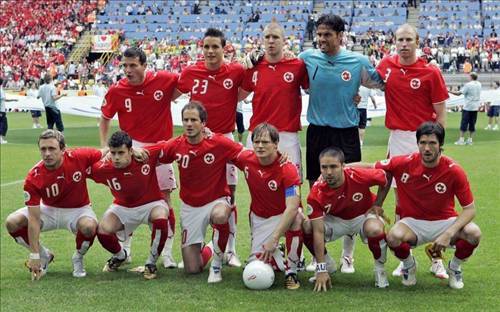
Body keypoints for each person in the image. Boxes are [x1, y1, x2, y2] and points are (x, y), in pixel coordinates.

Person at [299, 13, 384, 273]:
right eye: (319, 34)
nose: (321, 39)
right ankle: (320, 256)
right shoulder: (307, 58)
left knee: (352, 192)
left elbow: (382, 82)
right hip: (317, 132)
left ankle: (348, 256)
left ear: (340, 36)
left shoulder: (357, 61)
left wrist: (358, 94)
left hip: (346, 133)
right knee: (317, 187)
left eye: (327, 34)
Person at [376, 23, 449, 278]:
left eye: (409, 39)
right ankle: (403, 255)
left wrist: (437, 144)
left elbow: (441, 114)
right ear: (394, 42)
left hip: (425, 140)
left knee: (433, 199)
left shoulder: (431, 71)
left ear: (417, 41)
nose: (404, 44)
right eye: (400, 40)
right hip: (398, 138)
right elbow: (366, 80)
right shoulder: (386, 65)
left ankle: (437, 256)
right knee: (401, 200)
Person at [375, 122, 481, 289]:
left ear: (440, 146)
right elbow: (373, 168)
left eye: (432, 143)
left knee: (474, 233)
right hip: (413, 223)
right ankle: (409, 266)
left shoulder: (454, 170)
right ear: (417, 144)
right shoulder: (404, 162)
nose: (427, 148)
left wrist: (448, 233)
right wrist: (343, 168)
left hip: (445, 221)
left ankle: (454, 268)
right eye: (423, 143)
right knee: (393, 237)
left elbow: (470, 209)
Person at [100, 47, 180, 268]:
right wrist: (104, 147)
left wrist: (169, 97)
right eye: (124, 65)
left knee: (164, 198)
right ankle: (125, 249)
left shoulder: (164, 79)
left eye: (133, 65)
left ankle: (167, 253)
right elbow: (105, 119)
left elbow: (183, 85)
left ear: (145, 65)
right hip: (131, 150)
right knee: (129, 197)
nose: (128, 70)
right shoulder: (117, 90)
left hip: (161, 149)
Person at [176, 28, 245, 267]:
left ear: (224, 48)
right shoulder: (190, 72)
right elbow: (172, 94)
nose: (210, 51)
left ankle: (230, 250)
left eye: (215, 46)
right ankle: (204, 246)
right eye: (206, 47)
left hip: (223, 139)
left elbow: (245, 92)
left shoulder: (236, 70)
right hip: (196, 139)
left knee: (230, 195)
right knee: (197, 185)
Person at [158, 102, 243, 283]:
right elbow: (155, 154)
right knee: (192, 269)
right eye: (186, 120)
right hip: (190, 207)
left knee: (220, 216)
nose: (189, 124)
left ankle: (217, 266)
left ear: (203, 123)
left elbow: (245, 155)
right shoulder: (176, 145)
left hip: (216, 200)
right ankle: (211, 248)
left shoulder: (218, 142)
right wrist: (134, 153)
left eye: (194, 120)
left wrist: (277, 159)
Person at [4, 130, 103, 279]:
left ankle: (78, 258)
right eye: (43, 149)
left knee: (89, 227)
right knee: (12, 222)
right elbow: (34, 219)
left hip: (78, 209)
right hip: (48, 209)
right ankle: (45, 256)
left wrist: (133, 151)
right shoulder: (33, 177)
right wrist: (35, 254)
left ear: (63, 149)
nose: (47, 153)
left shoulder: (79, 156)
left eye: (52, 149)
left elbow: (106, 151)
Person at [304, 147, 390, 291]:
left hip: (363, 216)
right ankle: (328, 264)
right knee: (307, 226)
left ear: (343, 166)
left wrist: (377, 204)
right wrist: (320, 268)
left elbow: (385, 178)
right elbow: (318, 232)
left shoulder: (358, 175)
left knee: (375, 229)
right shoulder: (316, 192)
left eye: (333, 166)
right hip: (336, 220)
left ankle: (379, 269)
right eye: (324, 167)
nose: (329, 172)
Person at [232, 123, 304, 289]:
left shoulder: (288, 169)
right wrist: (207, 132)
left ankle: (292, 270)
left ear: (276, 144)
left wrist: (274, 237)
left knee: (299, 218)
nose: (260, 146)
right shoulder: (246, 159)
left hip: (284, 215)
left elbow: (292, 208)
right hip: (260, 218)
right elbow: (222, 146)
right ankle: (279, 254)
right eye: (256, 142)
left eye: (265, 142)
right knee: (258, 265)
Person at [91, 131, 170, 280]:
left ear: (131, 151)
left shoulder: (146, 155)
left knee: (160, 217)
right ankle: (121, 256)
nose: (116, 157)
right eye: (113, 153)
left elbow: (172, 145)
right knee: (102, 230)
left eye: (121, 152)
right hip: (123, 207)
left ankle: (151, 263)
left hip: (151, 204)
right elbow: (79, 164)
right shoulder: (103, 168)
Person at [450, 72, 482, 145]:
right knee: (472, 123)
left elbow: (459, 93)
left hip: (468, 107)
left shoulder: (468, 85)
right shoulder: (479, 84)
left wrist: (449, 91)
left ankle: (461, 140)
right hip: (475, 107)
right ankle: (470, 140)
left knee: (464, 123)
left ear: (471, 77)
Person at [0, 77, 19, 144]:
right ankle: (1, 139)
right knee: (3, 124)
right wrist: (13, 100)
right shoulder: (1, 91)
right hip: (1, 110)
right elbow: (4, 99)